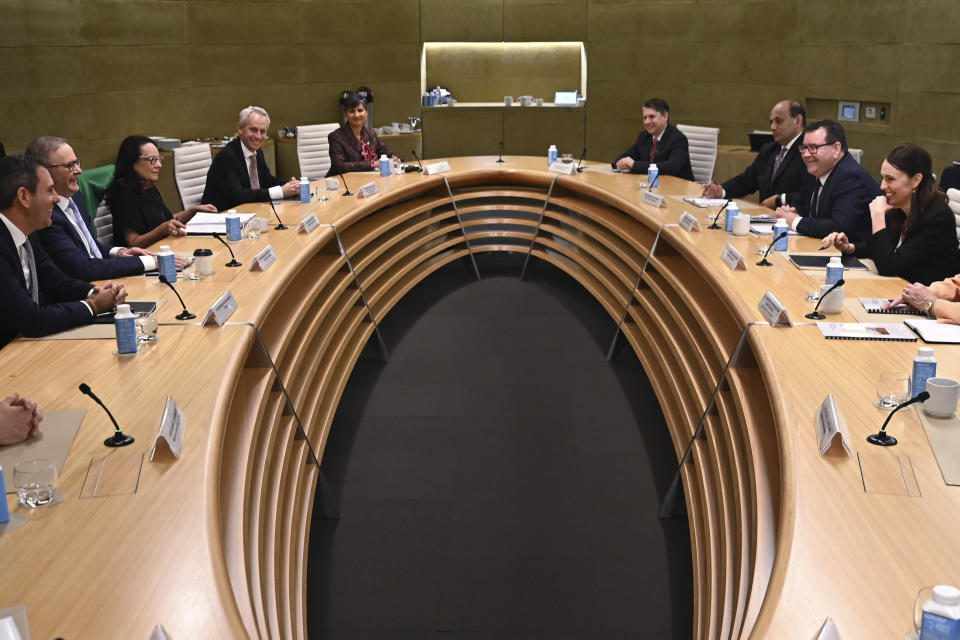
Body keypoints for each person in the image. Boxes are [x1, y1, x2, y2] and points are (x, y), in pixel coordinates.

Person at [0, 155, 125, 349]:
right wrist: (93, 305)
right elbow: (32, 320)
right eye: (50, 190)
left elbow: (57, 283)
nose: (57, 198)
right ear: (24, 197)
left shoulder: (28, 234)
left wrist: (95, 292)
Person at [25, 136, 182, 280]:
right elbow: (83, 268)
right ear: (43, 172)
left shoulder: (75, 198)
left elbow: (90, 247)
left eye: (77, 163)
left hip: (103, 279)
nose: (79, 171)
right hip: (85, 288)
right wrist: (148, 262)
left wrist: (119, 252)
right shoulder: (47, 217)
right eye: (69, 166)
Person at [822, 144, 960, 285]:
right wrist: (850, 247)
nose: (882, 186)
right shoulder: (899, 207)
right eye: (882, 178)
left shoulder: (937, 217)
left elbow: (889, 267)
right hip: (902, 287)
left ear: (916, 180)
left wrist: (877, 217)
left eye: (890, 179)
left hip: (929, 298)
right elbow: (878, 248)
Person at [774, 120, 880, 244]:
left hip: (853, 256)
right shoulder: (816, 169)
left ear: (836, 149)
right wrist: (791, 211)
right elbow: (801, 202)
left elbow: (840, 227)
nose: (806, 155)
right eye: (804, 148)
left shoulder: (851, 176)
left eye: (813, 147)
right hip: (821, 249)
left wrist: (796, 221)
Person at [107, 136, 217, 248]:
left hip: (163, 247)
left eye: (159, 159)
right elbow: (134, 242)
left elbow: (166, 221)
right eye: (152, 160)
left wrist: (193, 211)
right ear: (132, 162)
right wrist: (162, 230)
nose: (159, 165)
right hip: (140, 259)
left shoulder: (147, 185)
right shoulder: (124, 194)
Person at [701, 100, 806, 208]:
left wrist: (781, 199)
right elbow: (747, 181)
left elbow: (812, 194)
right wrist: (720, 191)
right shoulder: (768, 150)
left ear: (798, 121)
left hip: (794, 219)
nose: (773, 127)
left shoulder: (809, 151)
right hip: (764, 218)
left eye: (778, 121)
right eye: (771, 122)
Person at [201, 105, 299, 211]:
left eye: (262, 131)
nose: (258, 136)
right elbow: (238, 196)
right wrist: (281, 191)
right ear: (240, 128)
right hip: (222, 217)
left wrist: (290, 185)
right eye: (253, 130)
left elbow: (267, 180)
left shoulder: (257, 151)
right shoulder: (226, 157)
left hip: (249, 212)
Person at [612, 98, 694, 181]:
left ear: (665, 116)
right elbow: (627, 156)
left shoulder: (678, 139)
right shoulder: (644, 136)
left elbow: (670, 167)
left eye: (651, 117)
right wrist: (619, 163)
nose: (647, 122)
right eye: (645, 118)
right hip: (654, 186)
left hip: (679, 189)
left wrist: (634, 165)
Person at [326, 92, 399, 177]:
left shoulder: (371, 133)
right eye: (352, 111)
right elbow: (339, 166)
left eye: (360, 110)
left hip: (366, 180)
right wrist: (373, 164)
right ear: (346, 114)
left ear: (366, 113)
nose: (356, 115)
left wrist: (395, 159)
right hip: (341, 183)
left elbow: (386, 153)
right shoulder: (336, 137)